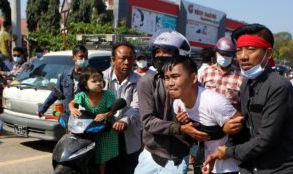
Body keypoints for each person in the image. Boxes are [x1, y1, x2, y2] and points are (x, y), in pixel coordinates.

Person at [203, 23, 293, 173]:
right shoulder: (246, 84)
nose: (243, 56)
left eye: (251, 49)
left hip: (276, 169)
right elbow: (246, 130)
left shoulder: (279, 86)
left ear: (268, 53)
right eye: (239, 50)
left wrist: (227, 152)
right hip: (250, 167)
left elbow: (265, 139)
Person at [134, 29, 209, 174]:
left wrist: (191, 120)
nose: (160, 56)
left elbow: (204, 120)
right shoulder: (147, 81)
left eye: (166, 51)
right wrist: (179, 127)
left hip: (178, 159)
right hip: (151, 156)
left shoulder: (194, 85)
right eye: (157, 52)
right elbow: (148, 121)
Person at [163, 56, 243, 174]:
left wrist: (227, 130)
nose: (170, 83)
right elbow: (190, 140)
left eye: (175, 77)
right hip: (203, 163)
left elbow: (243, 131)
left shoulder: (214, 102)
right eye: (166, 78)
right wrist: (185, 126)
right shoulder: (178, 105)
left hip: (229, 167)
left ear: (194, 78)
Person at [69, 68, 118, 174]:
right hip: (89, 128)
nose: (98, 83)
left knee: (101, 156)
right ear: (85, 84)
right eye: (94, 81)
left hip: (105, 129)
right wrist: (73, 109)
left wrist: (105, 115)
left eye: (100, 80)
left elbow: (113, 111)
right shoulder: (82, 95)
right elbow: (71, 103)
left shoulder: (108, 95)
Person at [104, 43, 141, 174]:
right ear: (113, 59)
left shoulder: (139, 81)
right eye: (123, 58)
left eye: (130, 59)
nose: (127, 62)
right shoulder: (101, 78)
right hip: (105, 134)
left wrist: (124, 121)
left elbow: (136, 106)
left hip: (128, 136)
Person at [38, 45, 89, 127]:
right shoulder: (65, 75)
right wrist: (43, 108)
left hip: (84, 118)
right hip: (68, 118)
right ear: (73, 57)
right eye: (81, 57)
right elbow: (56, 93)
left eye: (86, 57)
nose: (84, 60)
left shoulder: (91, 76)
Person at [200, 37, 243, 111]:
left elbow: (243, 104)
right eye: (222, 54)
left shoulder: (241, 76)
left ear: (233, 56)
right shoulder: (206, 72)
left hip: (231, 120)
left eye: (228, 55)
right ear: (216, 53)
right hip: (208, 119)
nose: (224, 57)